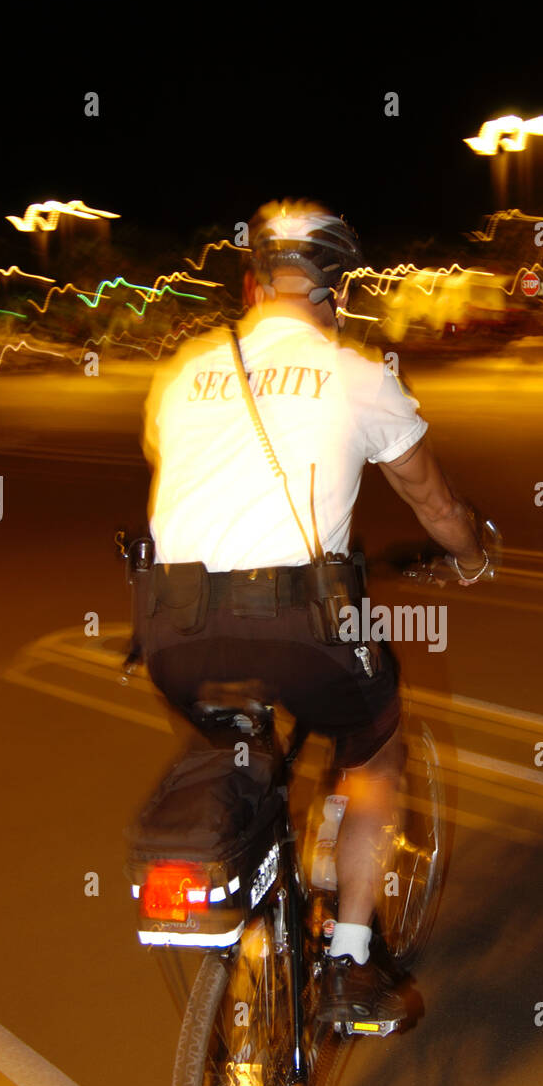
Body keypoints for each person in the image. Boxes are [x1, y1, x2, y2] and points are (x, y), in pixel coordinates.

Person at [140, 199, 491, 1027]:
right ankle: (350, 962)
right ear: (334, 288)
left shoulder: (183, 371)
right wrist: (473, 554)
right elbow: (436, 505)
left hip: (172, 634)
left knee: (235, 734)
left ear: (253, 281)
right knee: (374, 747)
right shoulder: (359, 374)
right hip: (298, 627)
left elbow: (182, 471)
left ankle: (255, 896)